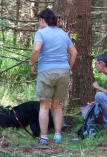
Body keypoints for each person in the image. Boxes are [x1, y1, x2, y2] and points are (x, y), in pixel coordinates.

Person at [29, 8, 78, 145]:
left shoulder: (41, 33)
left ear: (42, 20)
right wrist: (69, 67)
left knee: (44, 105)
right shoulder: (63, 33)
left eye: (39, 21)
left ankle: (44, 137)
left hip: (46, 71)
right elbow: (74, 53)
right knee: (57, 105)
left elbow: (37, 49)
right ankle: (57, 135)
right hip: (63, 71)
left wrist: (32, 63)